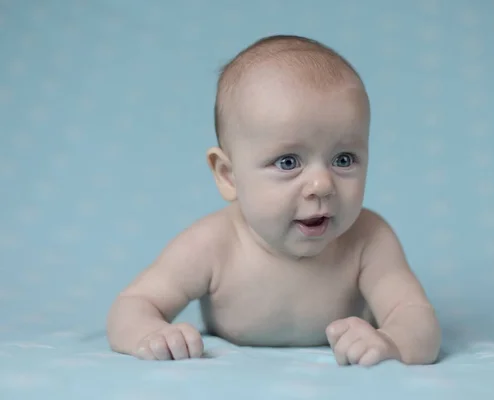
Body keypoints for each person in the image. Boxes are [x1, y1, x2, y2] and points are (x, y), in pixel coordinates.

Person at [106, 34, 441, 367]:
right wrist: (149, 334)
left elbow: (416, 319)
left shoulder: (368, 239)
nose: (322, 185)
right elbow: (135, 303)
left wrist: (392, 342)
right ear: (228, 175)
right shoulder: (212, 244)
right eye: (288, 162)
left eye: (343, 159)